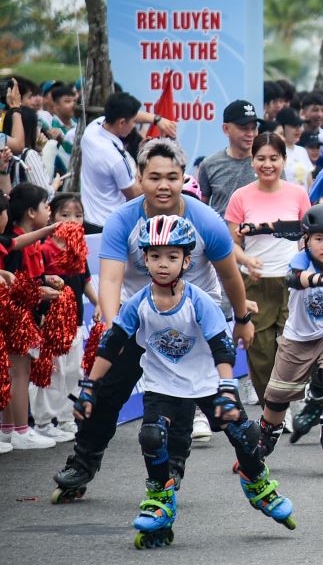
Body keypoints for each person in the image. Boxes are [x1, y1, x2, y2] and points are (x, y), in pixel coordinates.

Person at [51, 138, 256, 503]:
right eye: (155, 177)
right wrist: (113, 327)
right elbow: (110, 280)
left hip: (194, 322)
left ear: (183, 178)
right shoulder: (122, 220)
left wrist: (242, 318)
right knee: (106, 390)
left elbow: (230, 275)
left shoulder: (205, 220)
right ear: (140, 178)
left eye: (172, 178)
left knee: (183, 397)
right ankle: (82, 463)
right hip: (140, 317)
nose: (164, 185)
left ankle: (175, 467)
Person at [72, 215, 295, 546]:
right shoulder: (138, 303)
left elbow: (221, 347)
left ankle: (257, 481)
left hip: (207, 381)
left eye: (172, 256)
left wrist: (227, 388)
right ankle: (160, 499)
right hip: (162, 385)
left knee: (245, 433)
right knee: (152, 436)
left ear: (187, 261)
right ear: (144, 259)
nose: (163, 264)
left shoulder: (198, 300)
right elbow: (112, 343)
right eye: (155, 256)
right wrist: (91, 385)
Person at [256, 204, 323, 474]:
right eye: (319, 239)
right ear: (306, 241)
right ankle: (264, 439)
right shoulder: (301, 260)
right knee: (277, 397)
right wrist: (320, 278)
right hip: (298, 337)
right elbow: (293, 277)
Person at [224, 132, 311, 407]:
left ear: (284, 160)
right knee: (259, 351)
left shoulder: (298, 194)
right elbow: (232, 244)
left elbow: (308, 238)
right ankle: (271, 407)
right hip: (254, 282)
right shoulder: (240, 197)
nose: (268, 164)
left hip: (291, 282)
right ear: (252, 161)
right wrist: (247, 260)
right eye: (261, 158)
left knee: (291, 345)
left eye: (274, 158)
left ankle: (292, 402)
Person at [29, 194, 100, 443]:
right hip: (51, 324)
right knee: (51, 373)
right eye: (65, 215)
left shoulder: (78, 248)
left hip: (75, 323)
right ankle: (43, 421)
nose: (72, 220)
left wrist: (98, 303)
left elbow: (86, 281)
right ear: (52, 217)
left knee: (72, 371)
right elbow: (36, 284)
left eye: (78, 216)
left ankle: (67, 417)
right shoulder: (44, 249)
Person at [0, 183, 63, 450]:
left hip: (20, 315)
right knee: (18, 372)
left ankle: (9, 430)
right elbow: (15, 286)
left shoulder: (17, 240)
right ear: (30, 211)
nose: (49, 210)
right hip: (14, 316)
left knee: (15, 371)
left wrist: (44, 280)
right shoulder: (13, 243)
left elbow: (18, 248)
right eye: (45, 205)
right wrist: (38, 292)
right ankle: (20, 430)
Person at [80, 92, 176, 229]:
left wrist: (157, 120)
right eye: (133, 122)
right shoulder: (115, 158)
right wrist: (144, 157)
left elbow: (131, 114)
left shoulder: (93, 128)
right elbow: (135, 193)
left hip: (89, 219)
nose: (134, 125)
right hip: (109, 225)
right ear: (122, 122)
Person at [196, 99, 263, 217]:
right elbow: (201, 208)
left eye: (253, 128)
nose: (250, 134)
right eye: (244, 128)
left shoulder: (268, 163)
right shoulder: (209, 164)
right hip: (222, 228)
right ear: (226, 129)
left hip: (260, 228)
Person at [275, 107, 310, 187]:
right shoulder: (275, 152)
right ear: (282, 127)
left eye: (300, 125)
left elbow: (309, 182)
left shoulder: (302, 151)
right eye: (294, 126)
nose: (298, 129)